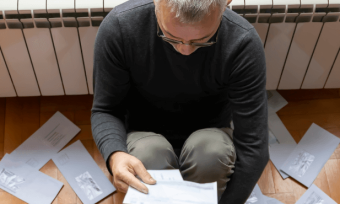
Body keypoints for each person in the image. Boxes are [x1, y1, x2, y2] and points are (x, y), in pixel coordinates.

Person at [91, 0, 269, 203]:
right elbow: (106, 109)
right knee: (148, 155)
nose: (184, 50)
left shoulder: (242, 43)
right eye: (170, 37)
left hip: (210, 138)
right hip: (144, 135)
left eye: (202, 40)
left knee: (210, 153)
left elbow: (254, 145)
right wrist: (115, 154)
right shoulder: (120, 27)